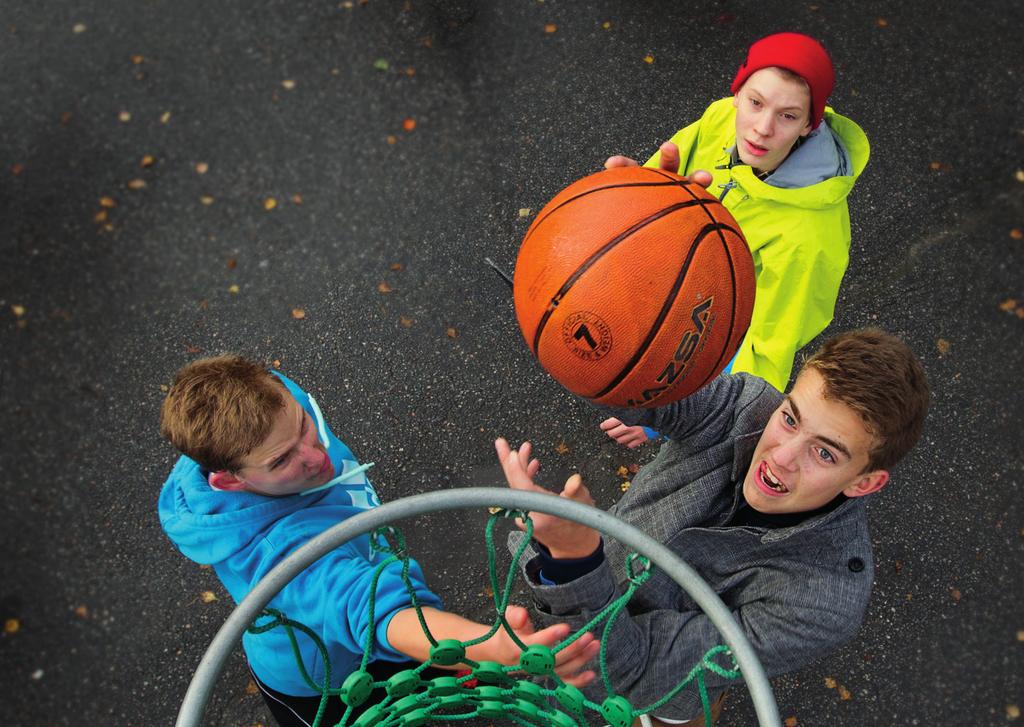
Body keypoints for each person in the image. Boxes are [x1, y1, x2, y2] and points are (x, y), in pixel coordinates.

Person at [495, 329, 929, 724]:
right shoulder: (745, 406)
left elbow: (632, 667)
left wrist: (574, 559)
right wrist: (590, 345)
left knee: (671, 710)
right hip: (593, 579)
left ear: (865, 482)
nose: (781, 456)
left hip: (658, 678)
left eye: (825, 454)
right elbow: (644, 391)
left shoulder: (820, 604)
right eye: (791, 419)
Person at [158, 355, 599, 727]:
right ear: (229, 482)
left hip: (370, 625)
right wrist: (492, 647)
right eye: (283, 460)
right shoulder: (287, 558)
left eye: (303, 429)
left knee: (423, 676)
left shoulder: (270, 408)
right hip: (327, 684)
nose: (316, 457)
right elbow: (371, 608)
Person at [603, 32, 870, 449]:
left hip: (728, 325)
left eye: (787, 116)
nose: (761, 129)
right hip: (691, 275)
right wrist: (631, 200)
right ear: (738, 92)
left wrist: (672, 413)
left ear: (809, 124)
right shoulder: (720, 120)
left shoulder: (807, 239)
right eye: (755, 102)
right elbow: (661, 180)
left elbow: (762, 356)